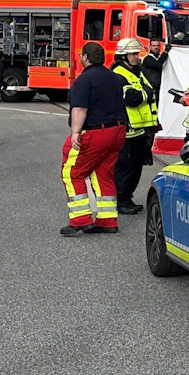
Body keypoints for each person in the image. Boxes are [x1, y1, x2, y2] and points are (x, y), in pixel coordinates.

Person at [60, 42, 128, 237]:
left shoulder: (84, 80)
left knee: (72, 172)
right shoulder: (115, 78)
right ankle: (107, 220)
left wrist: (75, 133)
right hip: (117, 131)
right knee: (103, 174)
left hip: (96, 132)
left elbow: (80, 108)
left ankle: (80, 220)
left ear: (85, 58)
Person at [111, 39, 158, 216]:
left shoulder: (137, 71)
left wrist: (145, 93)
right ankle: (120, 200)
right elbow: (131, 97)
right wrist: (146, 93)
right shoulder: (118, 74)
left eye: (137, 54)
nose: (136, 57)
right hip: (128, 131)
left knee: (136, 166)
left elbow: (148, 89)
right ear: (123, 55)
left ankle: (127, 198)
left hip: (141, 130)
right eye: (133, 54)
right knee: (125, 167)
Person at [139, 38, 170, 107]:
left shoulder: (159, 57)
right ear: (150, 47)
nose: (156, 47)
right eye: (154, 46)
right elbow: (158, 65)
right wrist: (165, 52)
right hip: (152, 89)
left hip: (159, 88)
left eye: (158, 46)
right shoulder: (147, 59)